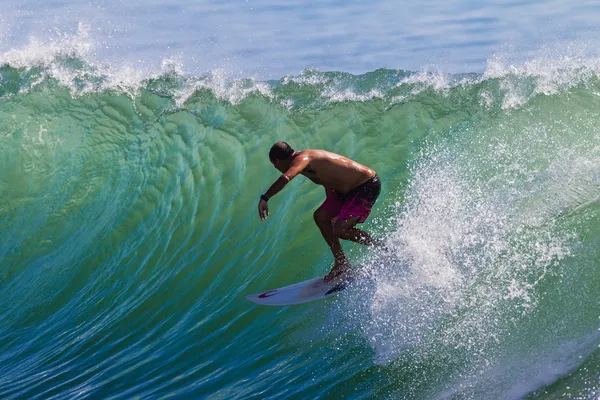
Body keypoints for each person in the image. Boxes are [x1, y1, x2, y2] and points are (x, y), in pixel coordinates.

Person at [257, 141, 383, 282]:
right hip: (345, 191)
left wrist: (265, 197)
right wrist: (332, 209)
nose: (276, 167)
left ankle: (384, 248)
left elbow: (286, 178)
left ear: (277, 161)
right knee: (321, 216)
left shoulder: (303, 159)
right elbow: (327, 179)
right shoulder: (305, 162)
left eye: (274, 164)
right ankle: (341, 264)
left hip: (365, 186)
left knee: (340, 230)